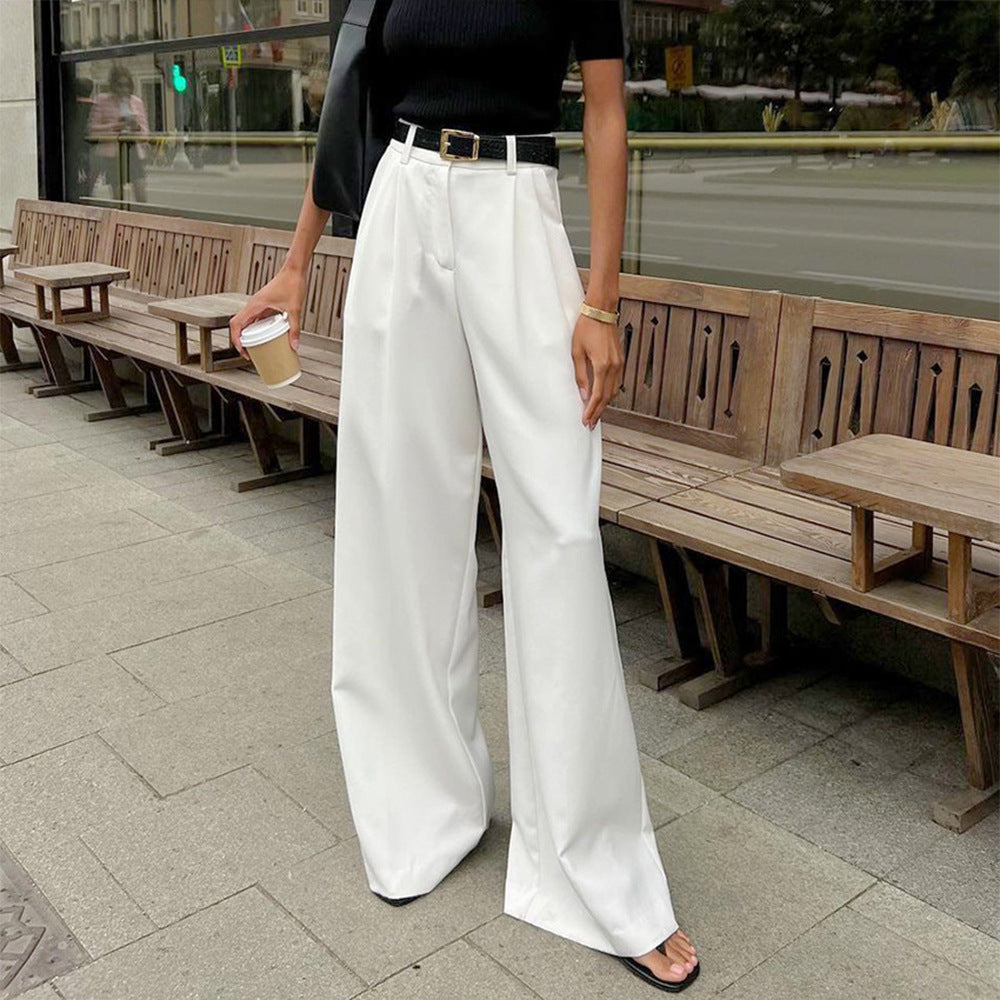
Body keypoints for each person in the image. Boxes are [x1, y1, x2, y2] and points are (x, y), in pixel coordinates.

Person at [229, 1, 700, 991]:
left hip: (518, 208)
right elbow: (352, 96)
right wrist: (294, 261)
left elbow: (606, 115)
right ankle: (421, 806)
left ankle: (593, 865)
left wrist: (601, 300)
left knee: (559, 527)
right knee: (396, 516)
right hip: (400, 206)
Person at [89, 64, 149, 204]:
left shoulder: (136, 102)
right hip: (113, 153)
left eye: (127, 85)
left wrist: (136, 127)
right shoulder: (103, 100)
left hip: (133, 150)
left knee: (141, 192)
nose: (124, 89)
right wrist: (115, 126)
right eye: (120, 85)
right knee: (118, 197)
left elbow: (145, 132)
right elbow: (93, 129)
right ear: (113, 85)